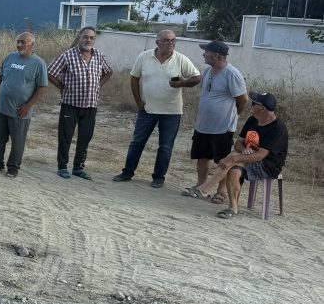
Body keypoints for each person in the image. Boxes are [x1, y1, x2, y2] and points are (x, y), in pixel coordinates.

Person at [112, 29, 201, 188]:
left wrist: (181, 83)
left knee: (165, 146)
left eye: (173, 40)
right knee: (137, 142)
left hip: (172, 112)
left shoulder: (180, 59)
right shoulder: (144, 57)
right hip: (147, 110)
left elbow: (197, 77)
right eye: (167, 40)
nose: (171, 43)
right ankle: (127, 172)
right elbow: (134, 78)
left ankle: (159, 177)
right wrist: (138, 101)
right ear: (157, 42)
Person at [184, 92, 287, 220]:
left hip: (267, 165)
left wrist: (234, 158)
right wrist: (244, 150)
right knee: (234, 169)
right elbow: (238, 142)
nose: (251, 104)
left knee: (232, 159)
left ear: (262, 108)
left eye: (254, 103)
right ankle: (232, 208)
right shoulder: (252, 120)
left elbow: (261, 155)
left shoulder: (277, 128)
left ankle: (204, 189)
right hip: (247, 159)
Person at [185, 40, 248, 204]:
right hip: (203, 124)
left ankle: (221, 192)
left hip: (222, 127)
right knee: (202, 156)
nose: (203, 54)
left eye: (206, 52)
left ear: (216, 55)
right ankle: (200, 187)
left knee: (222, 160)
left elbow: (242, 99)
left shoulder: (232, 74)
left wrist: (233, 115)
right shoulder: (207, 72)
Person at [47, 27, 114, 180]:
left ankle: (78, 167)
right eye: (85, 37)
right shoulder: (68, 55)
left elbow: (109, 71)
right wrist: (62, 87)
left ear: (94, 40)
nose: (88, 40)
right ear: (79, 38)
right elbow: (50, 72)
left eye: (91, 38)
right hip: (70, 103)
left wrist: (98, 85)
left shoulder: (99, 56)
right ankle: (62, 167)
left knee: (85, 137)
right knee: (65, 136)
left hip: (91, 104)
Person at [0, 32, 48, 178]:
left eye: (23, 42)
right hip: (2, 107)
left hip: (20, 111)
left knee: (17, 141)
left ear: (32, 44)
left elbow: (42, 87)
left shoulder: (39, 63)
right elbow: (0, 77)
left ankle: (13, 168)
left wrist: (28, 106)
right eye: (18, 41)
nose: (19, 45)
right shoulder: (10, 57)